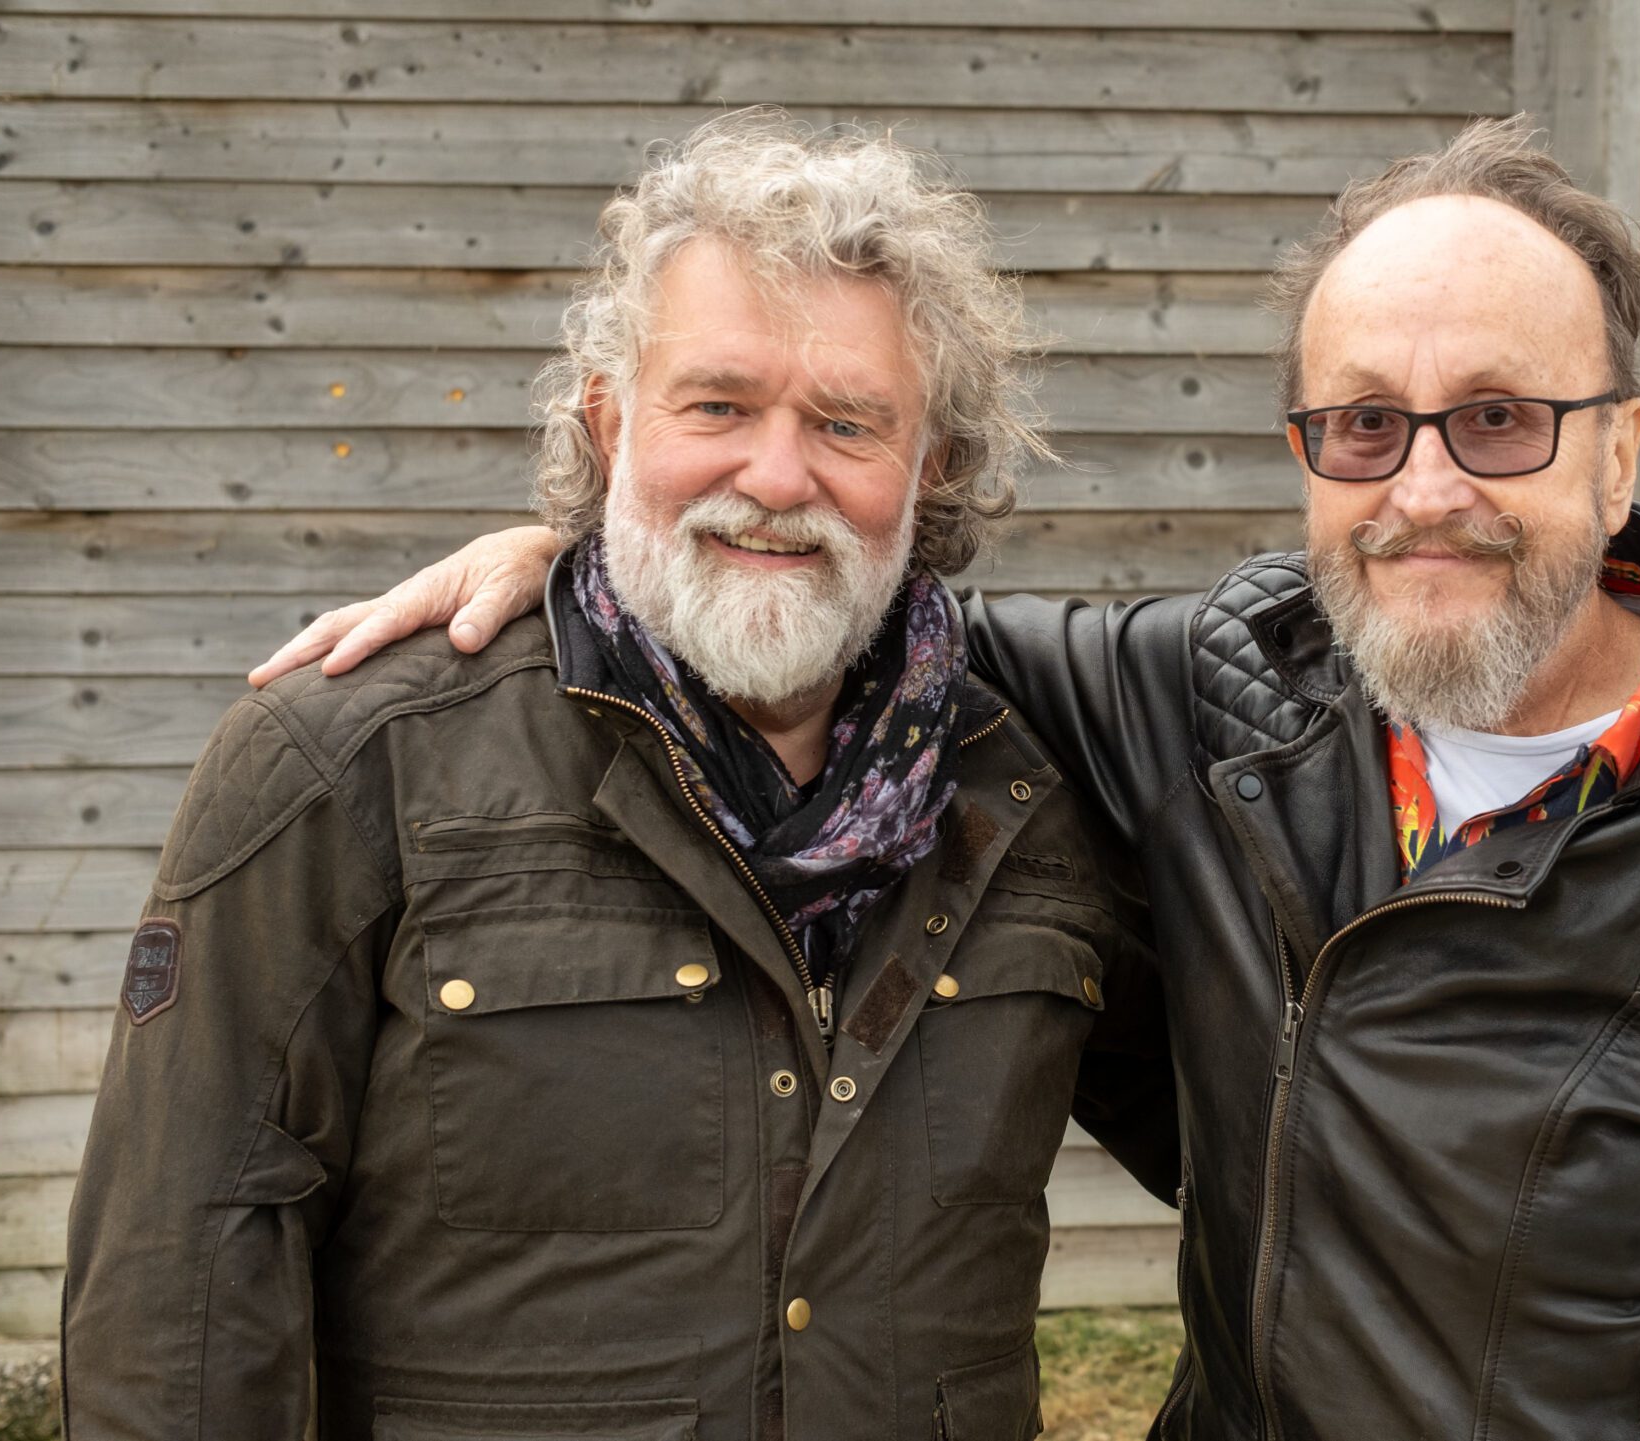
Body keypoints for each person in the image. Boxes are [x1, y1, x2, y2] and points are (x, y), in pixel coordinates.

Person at [261, 117, 1640, 1438]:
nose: (1424, 486)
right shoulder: (1211, 693)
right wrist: (585, 542)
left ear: (1623, 442)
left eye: (1500, 418)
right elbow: (823, 583)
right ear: (1310, 451)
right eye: (1362, 423)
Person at [64, 112, 1173, 1441]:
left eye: (847, 422)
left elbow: (1273, 1165)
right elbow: (172, 1306)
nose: (775, 475)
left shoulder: (1027, 801)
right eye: (718, 404)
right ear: (610, 418)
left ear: (928, 465)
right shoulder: (354, 764)